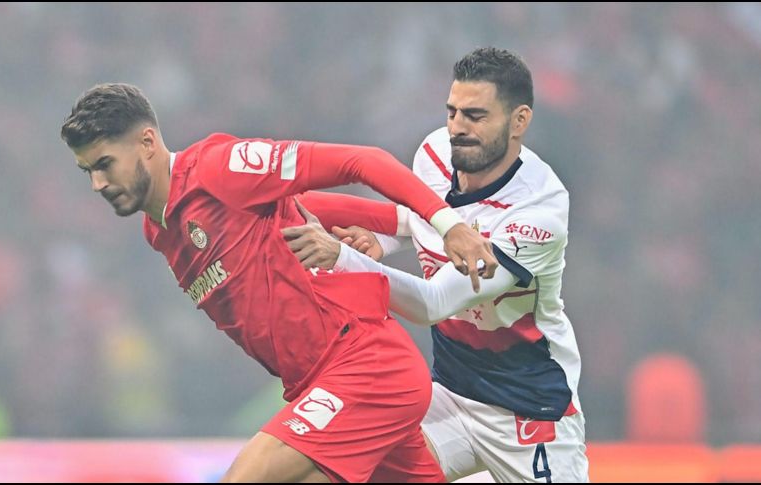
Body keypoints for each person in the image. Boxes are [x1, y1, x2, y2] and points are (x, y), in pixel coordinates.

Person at [59, 82, 500, 483]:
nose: (98, 183)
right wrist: (400, 224)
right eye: (87, 171)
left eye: (105, 164)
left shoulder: (218, 169)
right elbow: (300, 206)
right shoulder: (157, 231)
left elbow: (361, 161)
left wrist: (448, 225)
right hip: (323, 385)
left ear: (147, 142)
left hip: (365, 368)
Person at [283, 47, 589, 482]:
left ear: (519, 121)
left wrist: (340, 256)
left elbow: (434, 302)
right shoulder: (432, 153)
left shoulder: (539, 211)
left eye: (476, 116)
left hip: (530, 410)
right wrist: (382, 241)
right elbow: (423, 218)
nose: (458, 128)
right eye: (452, 112)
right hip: (449, 397)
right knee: (336, 470)